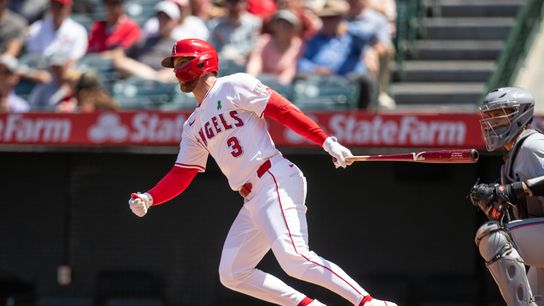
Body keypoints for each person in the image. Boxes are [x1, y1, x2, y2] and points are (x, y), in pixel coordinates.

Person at [128, 38, 398, 306]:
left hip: (272, 178)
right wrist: (150, 197)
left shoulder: (233, 85)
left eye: (182, 62)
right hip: (252, 197)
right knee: (233, 273)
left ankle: (370, 303)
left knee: (294, 259)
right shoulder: (192, 125)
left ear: (203, 62)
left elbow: (283, 110)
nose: (177, 70)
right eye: (174, 64)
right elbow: (181, 173)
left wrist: (326, 141)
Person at [469, 87, 544, 306]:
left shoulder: (532, 145)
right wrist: (493, 203)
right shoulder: (512, 155)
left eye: (499, 114)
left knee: (492, 237)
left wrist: (511, 190)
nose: (492, 122)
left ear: (520, 115)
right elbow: (513, 214)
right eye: (489, 116)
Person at [297, 0, 375, 108]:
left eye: (333, 18)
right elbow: (302, 62)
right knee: (299, 77)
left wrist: (349, 28)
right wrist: (315, 69)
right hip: (319, 79)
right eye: (325, 18)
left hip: (346, 78)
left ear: (341, 18)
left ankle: (362, 117)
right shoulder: (313, 40)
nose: (328, 21)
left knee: (363, 79)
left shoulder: (352, 38)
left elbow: (368, 37)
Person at [109, 1, 178, 83]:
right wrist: (154, 75)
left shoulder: (177, 45)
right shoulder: (144, 40)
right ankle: (154, 79)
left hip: (166, 81)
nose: (162, 20)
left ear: (175, 22)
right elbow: (119, 57)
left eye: (167, 18)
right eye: (160, 17)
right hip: (140, 77)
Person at [347, 0, 395, 109]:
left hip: (365, 59)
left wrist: (370, 52)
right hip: (342, 59)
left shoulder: (377, 19)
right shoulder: (340, 18)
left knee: (380, 55)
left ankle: (378, 95)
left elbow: (383, 45)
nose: (352, 3)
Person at [246, 9, 303, 85]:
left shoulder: (298, 45)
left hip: (283, 87)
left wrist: (280, 85)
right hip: (261, 83)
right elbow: (255, 61)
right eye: (279, 24)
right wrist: (251, 78)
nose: (282, 28)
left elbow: (292, 69)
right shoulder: (264, 41)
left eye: (287, 25)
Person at [25, 0, 88, 64]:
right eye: (54, 5)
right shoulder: (36, 28)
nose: (57, 9)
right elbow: (34, 57)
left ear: (69, 7)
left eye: (61, 6)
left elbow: (75, 59)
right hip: (41, 69)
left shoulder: (78, 31)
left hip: (66, 70)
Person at [208, 0, 262, 65]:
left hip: (243, 65)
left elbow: (254, 49)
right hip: (221, 65)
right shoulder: (215, 25)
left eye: (238, 1)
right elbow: (211, 48)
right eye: (231, 1)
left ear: (245, 4)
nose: (234, 5)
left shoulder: (254, 23)